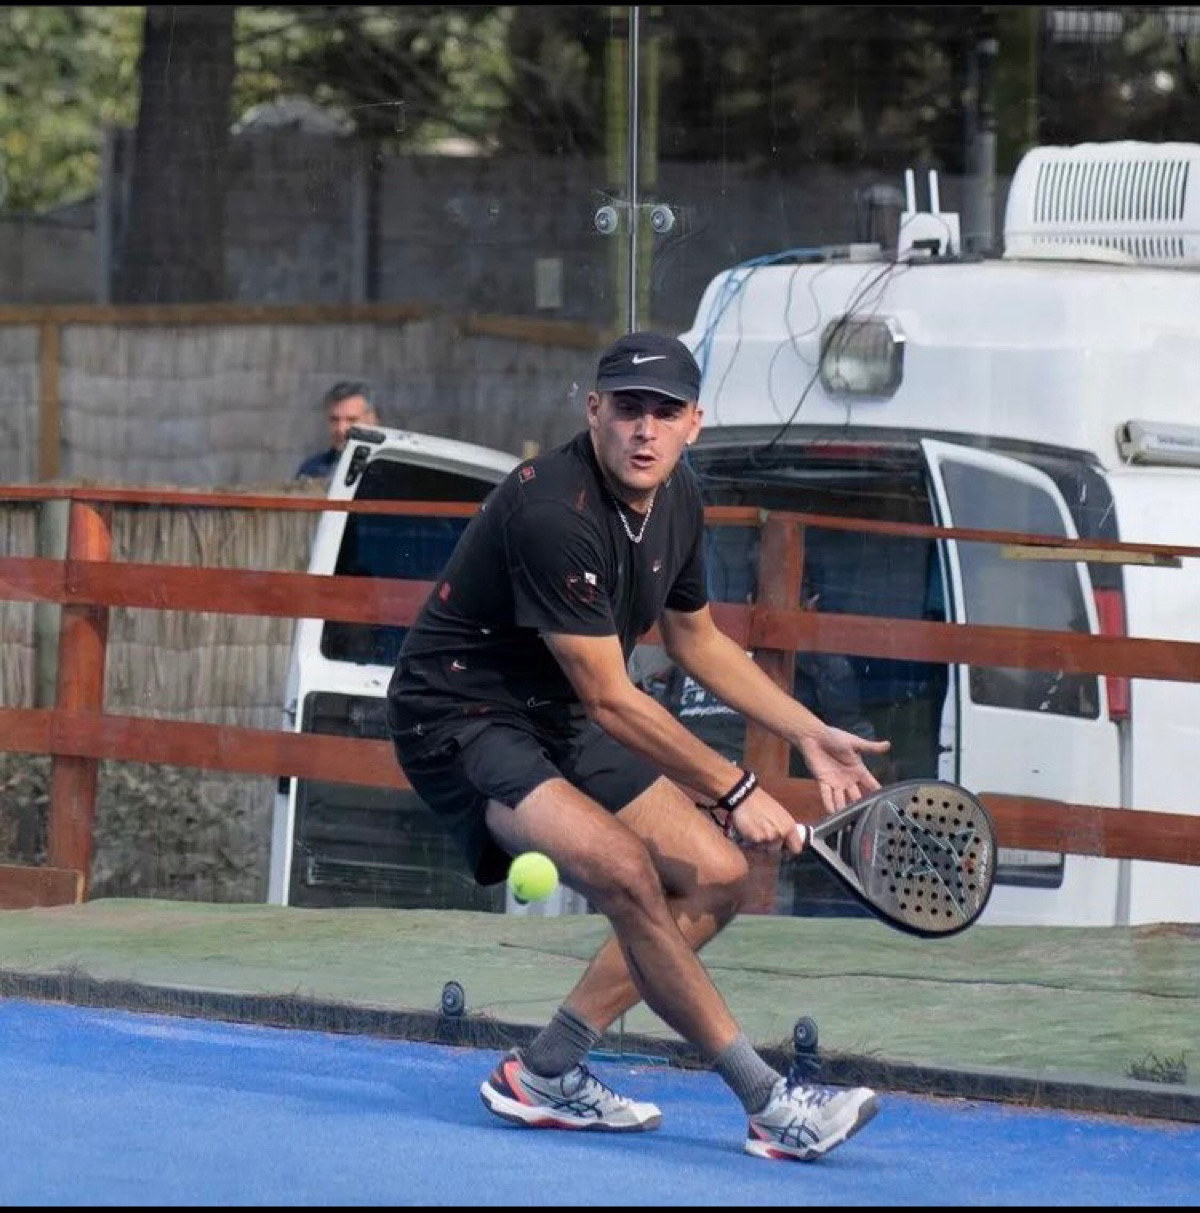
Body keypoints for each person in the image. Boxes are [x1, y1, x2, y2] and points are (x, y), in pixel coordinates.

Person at [386, 331, 892, 1163]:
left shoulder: (677, 495)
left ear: (695, 422)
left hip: (555, 713)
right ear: (595, 411)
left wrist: (806, 729)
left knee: (719, 876)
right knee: (626, 870)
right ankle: (770, 1102)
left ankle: (546, 1070)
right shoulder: (553, 511)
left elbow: (697, 639)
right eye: (628, 409)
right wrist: (736, 790)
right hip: (459, 715)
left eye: (665, 411)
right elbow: (612, 696)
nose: (645, 429)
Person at [295, 380, 380, 479]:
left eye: (351, 420)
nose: (341, 429)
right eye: (334, 420)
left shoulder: (387, 469)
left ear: (372, 421)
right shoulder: (311, 470)